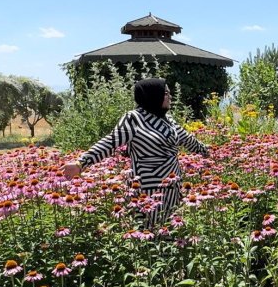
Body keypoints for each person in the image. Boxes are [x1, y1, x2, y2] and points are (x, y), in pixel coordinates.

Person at [63, 78, 209, 228]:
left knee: (170, 230)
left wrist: (206, 152)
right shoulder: (134, 118)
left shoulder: (168, 119)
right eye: (166, 93)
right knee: (147, 232)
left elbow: (188, 140)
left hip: (172, 187)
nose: (170, 97)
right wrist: (81, 163)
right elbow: (110, 142)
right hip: (147, 189)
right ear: (153, 95)